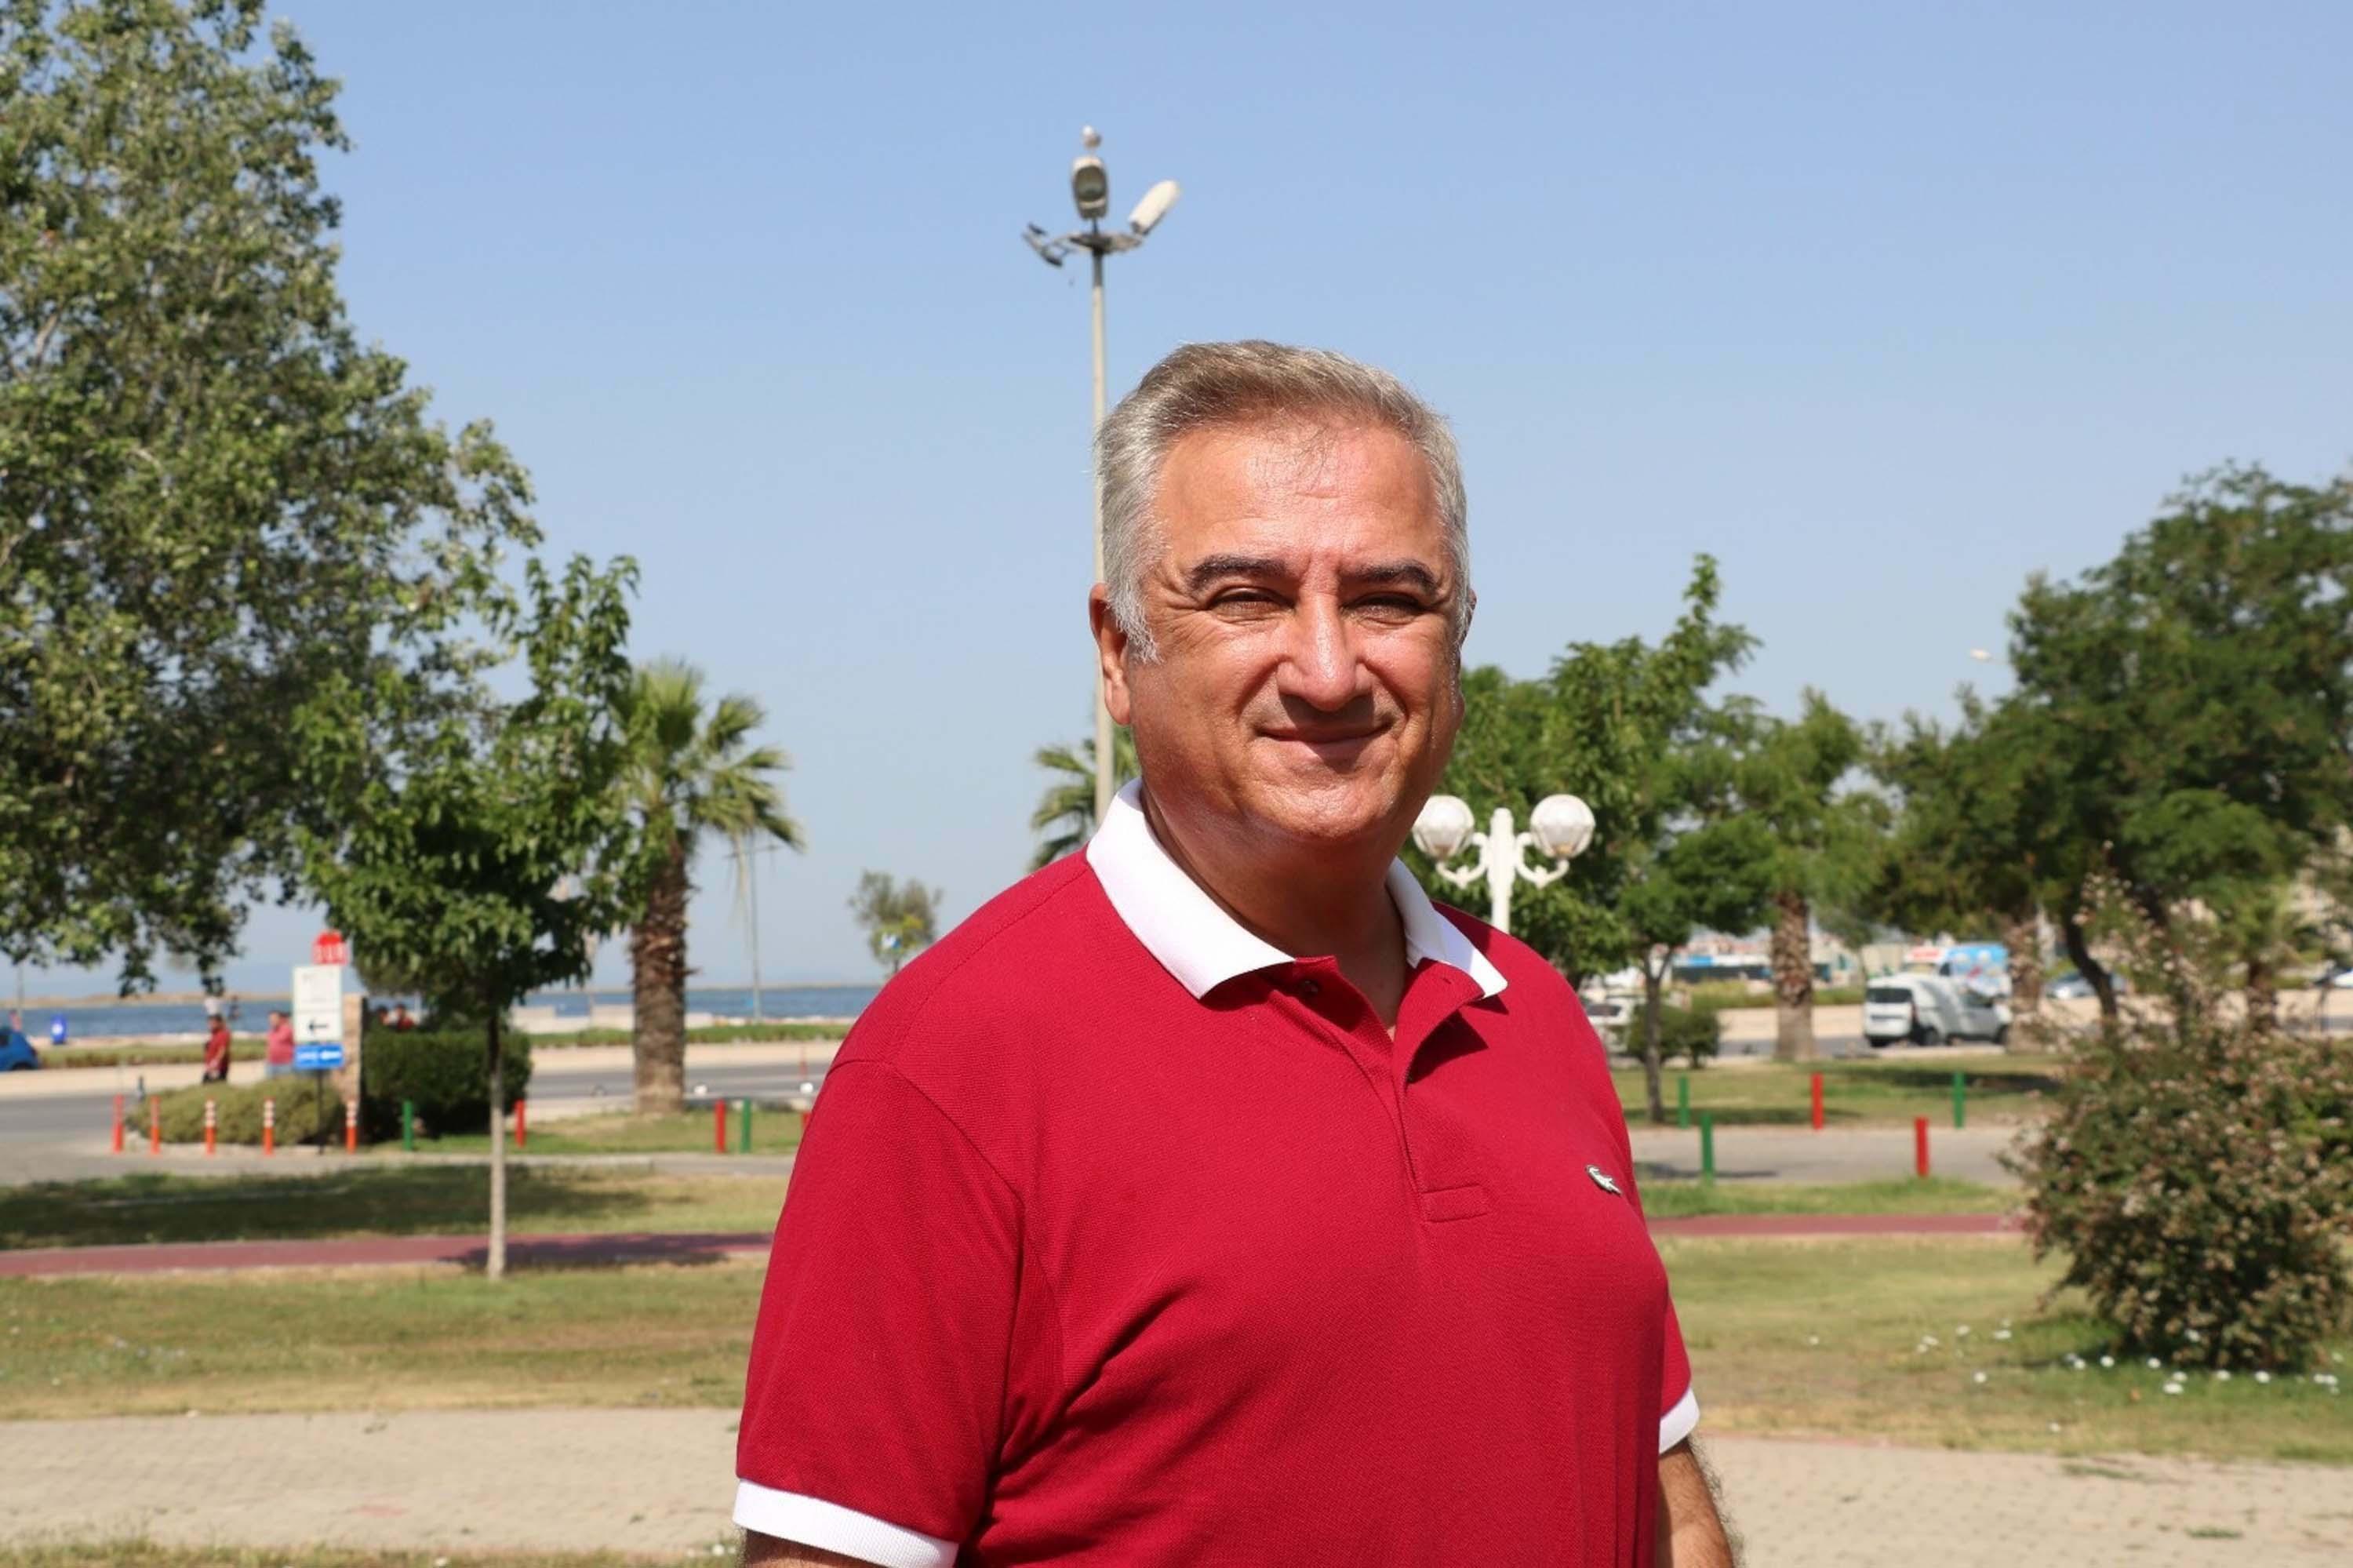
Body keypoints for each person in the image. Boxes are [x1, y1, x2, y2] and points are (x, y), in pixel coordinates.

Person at [735, 342, 1731, 1566]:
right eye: (1247, 596)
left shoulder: (1529, 1010)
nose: (1329, 668)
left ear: (1458, 636)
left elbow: (1660, 1485)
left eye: (1389, 598)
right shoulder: (949, 1068)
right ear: (1118, 650)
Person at [200, 1012, 232, 1084]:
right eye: (209, 1023)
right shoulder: (214, 1034)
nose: (210, 1025)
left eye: (213, 1023)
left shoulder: (223, 1034)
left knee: (214, 1085)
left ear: (219, 1023)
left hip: (218, 1068)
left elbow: (222, 1050)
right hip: (210, 1067)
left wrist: (215, 1062)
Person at [263, 1010, 296, 1079]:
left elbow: (296, 1044)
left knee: (285, 1082)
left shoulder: (288, 1030)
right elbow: (269, 1047)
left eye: (274, 1018)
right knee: (270, 1083)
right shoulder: (271, 1032)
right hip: (272, 1064)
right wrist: (267, 1060)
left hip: (286, 1064)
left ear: (280, 1019)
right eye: (270, 1019)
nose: (272, 1020)